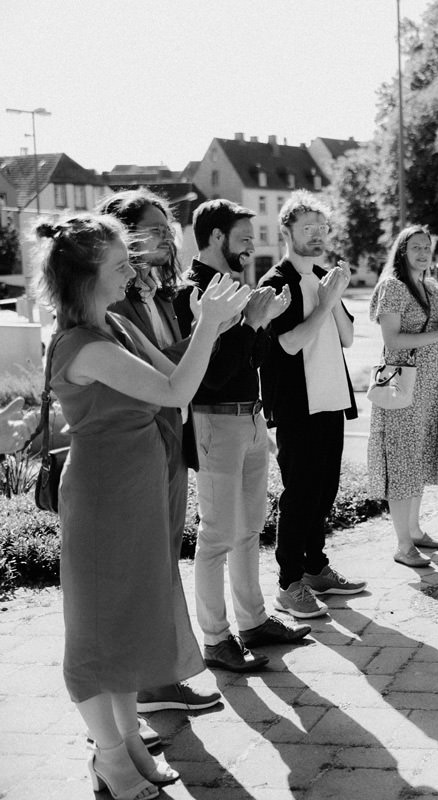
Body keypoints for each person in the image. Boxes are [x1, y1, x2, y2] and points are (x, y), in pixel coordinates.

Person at [40, 214, 248, 800]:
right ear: (86, 278)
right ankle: (109, 757)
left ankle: (129, 743)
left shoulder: (113, 327)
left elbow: (177, 372)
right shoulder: (84, 344)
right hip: (106, 498)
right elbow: (176, 392)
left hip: (138, 487)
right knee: (97, 633)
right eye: (120, 265)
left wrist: (220, 325)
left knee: (128, 622)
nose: (134, 272)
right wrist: (208, 324)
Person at [98, 190, 220, 715]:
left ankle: (161, 677)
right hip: (143, 440)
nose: (167, 238)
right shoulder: (115, 304)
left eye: (168, 227)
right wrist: (203, 332)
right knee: (149, 563)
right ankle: (150, 685)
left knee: (164, 558)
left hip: (170, 437)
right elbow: (153, 376)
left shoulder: (160, 293)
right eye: (152, 229)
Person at [176, 199, 311, 671]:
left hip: (250, 419)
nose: (253, 245)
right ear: (216, 238)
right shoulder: (192, 292)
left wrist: (259, 323)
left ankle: (254, 622)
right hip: (214, 418)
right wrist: (253, 322)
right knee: (216, 536)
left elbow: (252, 360)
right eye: (244, 237)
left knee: (250, 528)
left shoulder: (235, 286)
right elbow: (210, 377)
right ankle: (216, 639)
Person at [259, 191, 366, 620]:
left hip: (331, 398)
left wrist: (333, 296)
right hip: (296, 403)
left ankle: (316, 566)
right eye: (308, 229)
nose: (318, 236)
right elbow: (288, 344)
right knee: (300, 493)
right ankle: (289, 582)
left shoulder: (326, 275)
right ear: (286, 231)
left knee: (325, 490)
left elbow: (347, 337)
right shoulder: (275, 282)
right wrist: (324, 303)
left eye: (322, 228)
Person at [368, 225, 438, 567]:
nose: (423, 252)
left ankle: (413, 530)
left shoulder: (429, 286)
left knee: (418, 460)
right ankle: (401, 545)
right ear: (402, 251)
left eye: (427, 246)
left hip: (430, 386)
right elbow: (393, 340)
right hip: (403, 388)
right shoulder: (392, 287)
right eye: (416, 247)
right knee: (402, 465)